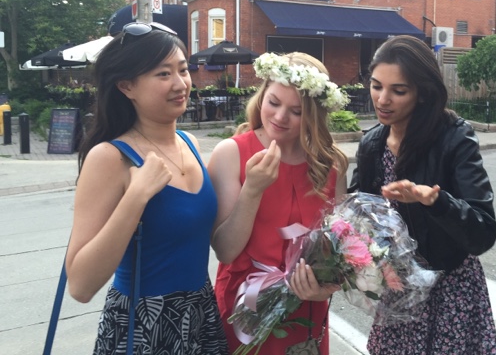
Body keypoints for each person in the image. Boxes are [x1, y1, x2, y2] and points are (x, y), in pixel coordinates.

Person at [65, 22, 228, 354]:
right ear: (127, 86)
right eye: (163, 74)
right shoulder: (110, 157)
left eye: (183, 70)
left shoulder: (189, 143)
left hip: (200, 316)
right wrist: (136, 197)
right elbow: (80, 286)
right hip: (144, 325)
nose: (180, 83)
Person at [349, 35, 496, 354]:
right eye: (376, 86)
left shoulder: (454, 138)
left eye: (398, 91)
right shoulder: (372, 145)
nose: (382, 99)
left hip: (449, 292)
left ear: (422, 93)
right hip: (398, 289)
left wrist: (435, 201)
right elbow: (360, 215)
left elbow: (483, 232)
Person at [208, 52, 350, 354]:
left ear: (313, 115)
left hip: (306, 311)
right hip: (245, 306)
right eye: (273, 102)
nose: (280, 117)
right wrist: (252, 189)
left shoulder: (330, 166)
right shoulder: (230, 153)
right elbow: (225, 250)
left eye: (296, 111)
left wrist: (327, 286)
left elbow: (338, 251)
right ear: (262, 96)